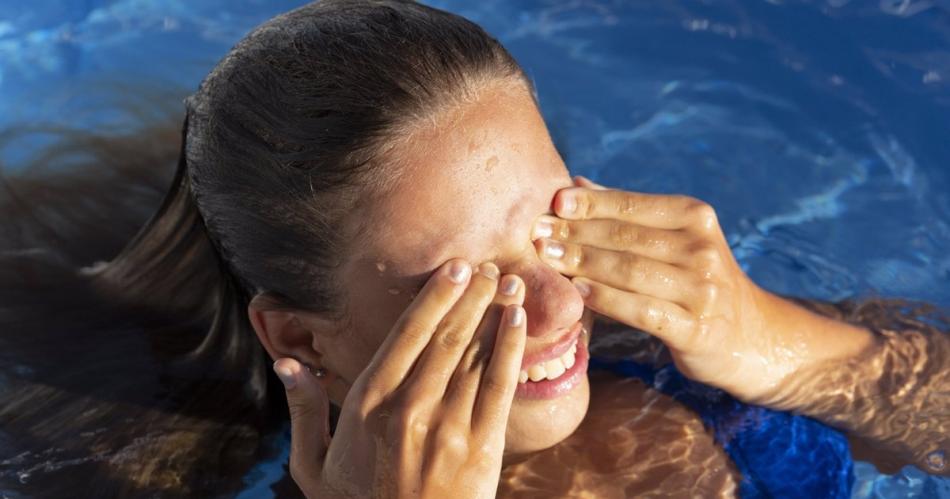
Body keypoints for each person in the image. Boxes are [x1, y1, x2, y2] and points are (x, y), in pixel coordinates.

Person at [1, 1, 946, 497]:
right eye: (469, 281)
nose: (561, 305)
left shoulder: (671, 355)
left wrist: (784, 346)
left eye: (550, 225)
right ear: (308, 337)